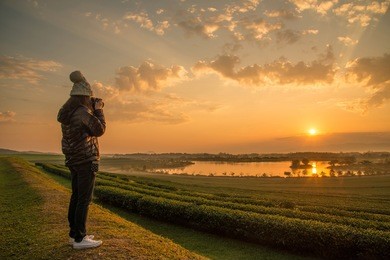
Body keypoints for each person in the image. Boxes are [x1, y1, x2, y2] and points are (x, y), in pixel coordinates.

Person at [57, 71, 106, 249]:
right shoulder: (83, 112)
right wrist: (99, 110)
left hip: (73, 159)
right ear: (85, 97)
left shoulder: (67, 113)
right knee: (84, 199)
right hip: (86, 160)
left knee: (76, 196)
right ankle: (80, 238)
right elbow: (99, 129)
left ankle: (74, 234)